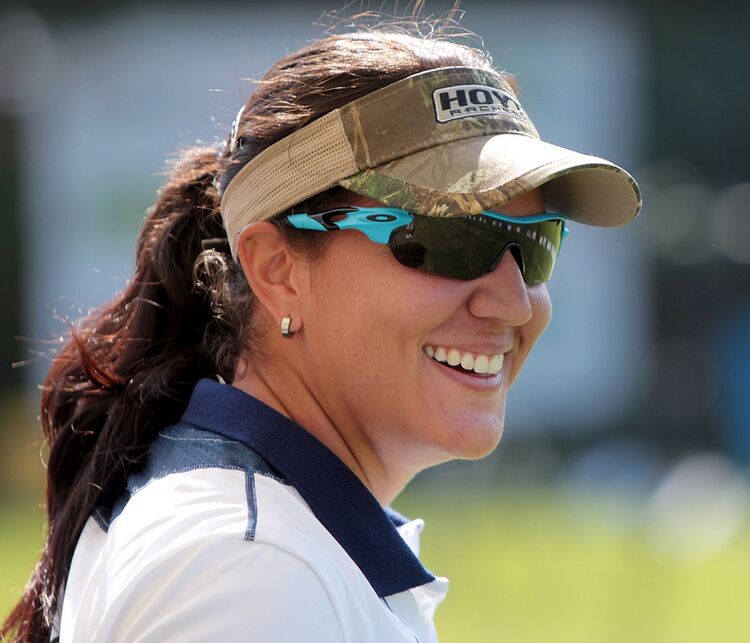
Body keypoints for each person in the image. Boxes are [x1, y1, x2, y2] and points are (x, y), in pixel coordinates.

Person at [3, 23, 640, 643]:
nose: (513, 303)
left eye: (535, 244)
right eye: (448, 238)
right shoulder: (251, 568)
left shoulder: (271, 543)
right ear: (277, 271)